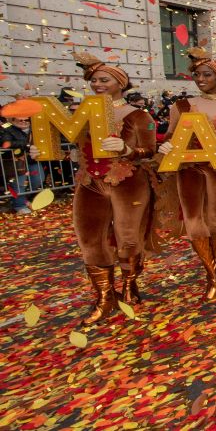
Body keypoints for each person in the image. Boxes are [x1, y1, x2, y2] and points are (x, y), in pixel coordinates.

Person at [31, 52, 157, 325]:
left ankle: (129, 286)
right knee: (89, 239)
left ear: (120, 83)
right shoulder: (82, 114)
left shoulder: (138, 115)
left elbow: (151, 150)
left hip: (129, 183)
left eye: (104, 79)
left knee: (129, 237)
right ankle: (103, 297)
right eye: (94, 80)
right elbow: (70, 147)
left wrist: (128, 149)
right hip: (90, 182)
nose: (97, 84)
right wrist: (42, 149)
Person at [156, 48, 216, 301]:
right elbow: (168, 136)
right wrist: (165, 146)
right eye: (197, 74)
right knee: (193, 220)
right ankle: (211, 274)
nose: (201, 79)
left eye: (207, 74)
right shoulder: (182, 105)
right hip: (189, 169)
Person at [1, 114, 42, 214]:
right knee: (19, 184)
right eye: (20, 120)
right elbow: (6, 143)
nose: (24, 121)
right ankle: (19, 206)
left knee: (38, 179)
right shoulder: (7, 129)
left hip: (33, 160)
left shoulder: (36, 127)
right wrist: (27, 145)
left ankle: (21, 199)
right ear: (13, 120)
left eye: (26, 120)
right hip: (17, 162)